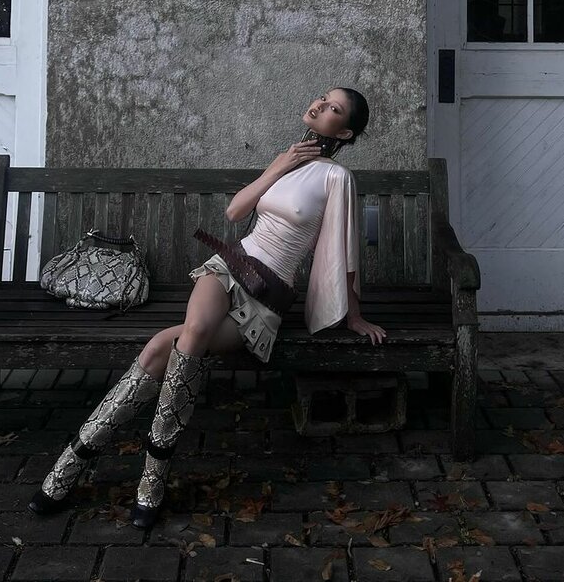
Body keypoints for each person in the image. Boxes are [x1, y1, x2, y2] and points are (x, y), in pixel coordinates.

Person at [27, 86, 382, 528]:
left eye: (334, 108)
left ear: (344, 132)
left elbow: (345, 252)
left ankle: (70, 465)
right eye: (323, 98)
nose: (320, 105)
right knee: (193, 333)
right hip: (230, 265)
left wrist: (353, 314)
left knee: (162, 346)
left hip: (267, 296)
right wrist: (279, 164)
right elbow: (235, 213)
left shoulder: (337, 178)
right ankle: (151, 481)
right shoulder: (288, 160)